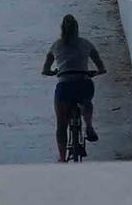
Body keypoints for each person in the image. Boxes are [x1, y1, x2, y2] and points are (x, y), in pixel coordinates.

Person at [41, 13, 108, 161]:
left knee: (61, 126)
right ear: (77, 29)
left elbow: (45, 69)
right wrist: (97, 72)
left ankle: (62, 158)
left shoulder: (55, 45)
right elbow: (101, 66)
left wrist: (52, 72)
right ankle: (89, 125)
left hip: (64, 87)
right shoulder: (86, 44)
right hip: (83, 83)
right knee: (86, 100)